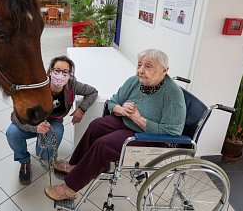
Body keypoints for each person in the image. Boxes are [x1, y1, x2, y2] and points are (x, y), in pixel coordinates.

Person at [44, 49, 186, 201]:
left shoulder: (173, 94)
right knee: (96, 125)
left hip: (146, 136)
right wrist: (120, 109)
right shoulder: (134, 81)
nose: (141, 71)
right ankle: (76, 166)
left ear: (164, 70)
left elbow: (172, 132)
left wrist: (138, 118)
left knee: (103, 145)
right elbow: (113, 102)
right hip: (125, 121)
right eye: (139, 65)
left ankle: (70, 188)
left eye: (148, 66)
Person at [6, 55, 98, 185]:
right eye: (56, 71)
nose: (60, 75)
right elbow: (14, 116)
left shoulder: (72, 85)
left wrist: (81, 109)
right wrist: (35, 128)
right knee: (12, 132)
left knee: (44, 154)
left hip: (54, 122)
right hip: (33, 121)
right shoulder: (35, 87)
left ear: (70, 75)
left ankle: (42, 143)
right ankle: (24, 161)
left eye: (65, 72)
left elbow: (93, 92)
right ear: (49, 72)